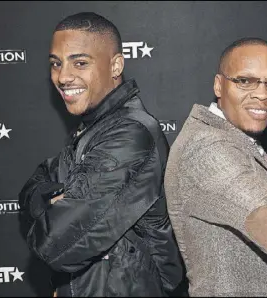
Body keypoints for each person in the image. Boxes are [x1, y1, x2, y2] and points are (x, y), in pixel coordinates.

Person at [19, 12, 187, 297]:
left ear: (116, 65)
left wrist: (56, 207)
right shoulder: (95, 126)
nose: (63, 76)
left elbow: (55, 245)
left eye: (80, 63)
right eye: (56, 64)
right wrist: (48, 200)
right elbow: (36, 182)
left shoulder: (129, 134)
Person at [164, 37, 267, 297]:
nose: (263, 94)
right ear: (218, 85)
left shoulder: (233, 137)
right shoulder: (208, 148)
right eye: (245, 81)